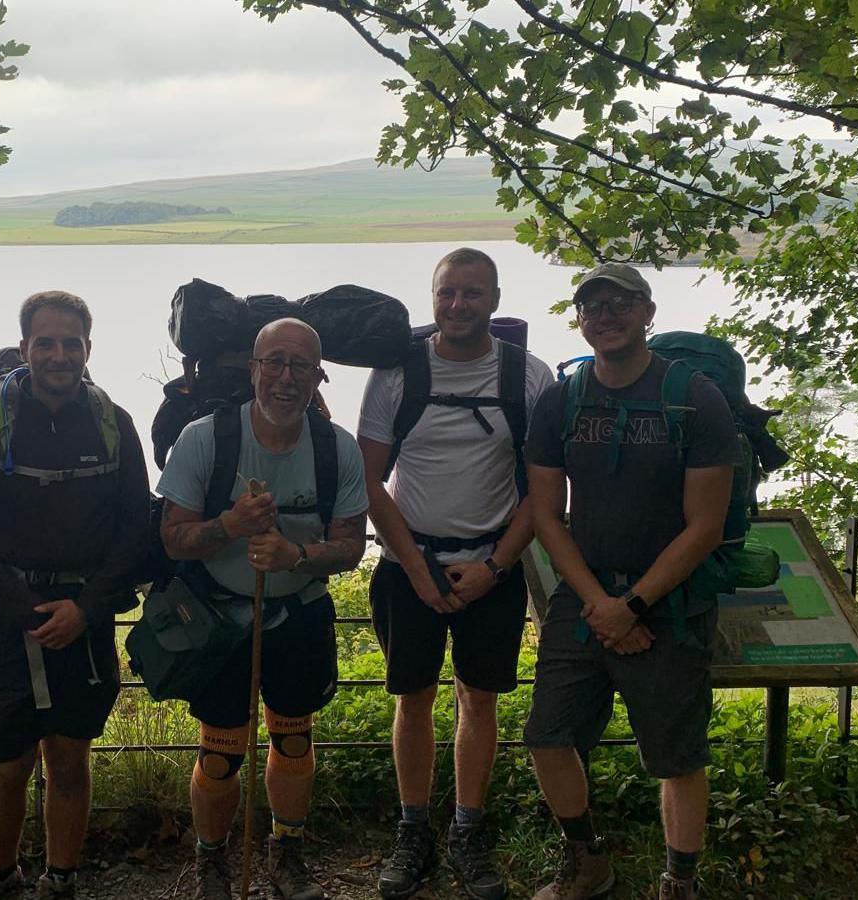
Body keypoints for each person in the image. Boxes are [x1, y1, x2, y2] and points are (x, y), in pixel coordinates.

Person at [521, 263, 737, 900]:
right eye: (592, 305)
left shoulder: (695, 397)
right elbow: (544, 514)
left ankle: (680, 881)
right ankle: (586, 859)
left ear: (647, 311)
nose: (605, 315)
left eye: (620, 303)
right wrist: (600, 604)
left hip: (672, 604)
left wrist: (635, 605)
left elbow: (705, 526)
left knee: (677, 755)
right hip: (586, 598)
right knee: (549, 738)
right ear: (579, 318)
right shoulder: (561, 397)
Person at [0, 291, 150, 900]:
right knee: (6, 763)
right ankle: (1, 881)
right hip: (2, 620)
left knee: (69, 755)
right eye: (46, 343)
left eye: (71, 343)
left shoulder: (113, 423)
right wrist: (21, 604)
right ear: (25, 346)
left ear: (88, 348)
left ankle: (61, 881)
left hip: (84, 618)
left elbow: (135, 528)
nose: (59, 355)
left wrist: (86, 609)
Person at [357, 248, 554, 900]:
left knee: (479, 697)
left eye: (473, 293)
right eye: (448, 293)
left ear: (495, 300)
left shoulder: (529, 377)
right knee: (412, 699)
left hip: (489, 566)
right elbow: (368, 480)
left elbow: (546, 493)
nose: (459, 305)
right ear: (432, 297)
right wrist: (415, 567)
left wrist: (496, 566)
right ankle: (414, 832)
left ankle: (467, 829)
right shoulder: (394, 375)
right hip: (407, 564)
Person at [157, 319, 368, 900]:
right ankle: (212, 861)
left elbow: (351, 546)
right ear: (252, 370)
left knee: (293, 740)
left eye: (301, 366)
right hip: (220, 619)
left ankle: (287, 852)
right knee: (220, 753)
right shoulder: (205, 439)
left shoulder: (336, 448)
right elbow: (172, 538)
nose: (285, 377)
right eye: (273, 362)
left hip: (298, 615)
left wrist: (294, 554)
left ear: (318, 377)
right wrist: (229, 526)